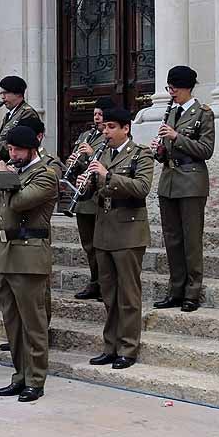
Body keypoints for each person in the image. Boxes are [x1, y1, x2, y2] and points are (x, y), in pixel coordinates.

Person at [0, 125, 60, 402]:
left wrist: (4, 177)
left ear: (31, 149)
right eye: (11, 150)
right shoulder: (14, 174)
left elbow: (20, 203)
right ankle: (20, 375)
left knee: (33, 322)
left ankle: (36, 379)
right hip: (7, 253)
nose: (12, 154)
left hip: (30, 255)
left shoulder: (45, 175)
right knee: (12, 322)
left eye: (17, 150)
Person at [76, 107, 154, 369]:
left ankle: (128, 348)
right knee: (109, 293)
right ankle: (110, 346)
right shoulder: (102, 154)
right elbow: (96, 194)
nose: (105, 131)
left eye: (111, 127)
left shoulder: (140, 154)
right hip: (104, 230)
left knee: (128, 294)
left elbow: (142, 188)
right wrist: (84, 186)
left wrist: (108, 175)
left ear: (125, 129)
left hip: (129, 231)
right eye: (104, 127)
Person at [151, 66, 215, 313]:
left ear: (187, 87)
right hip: (169, 180)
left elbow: (206, 150)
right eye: (169, 88)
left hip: (191, 181)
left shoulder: (203, 113)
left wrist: (177, 137)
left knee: (191, 240)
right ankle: (175, 290)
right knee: (172, 239)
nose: (171, 93)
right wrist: (159, 150)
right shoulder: (172, 112)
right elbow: (167, 150)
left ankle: (192, 292)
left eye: (174, 88)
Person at [65, 97, 115, 301]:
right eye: (95, 114)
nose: (96, 117)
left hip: (99, 195)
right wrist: (73, 162)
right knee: (88, 245)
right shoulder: (86, 135)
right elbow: (80, 164)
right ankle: (95, 282)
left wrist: (90, 154)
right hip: (83, 197)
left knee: (101, 245)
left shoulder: (110, 136)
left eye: (100, 114)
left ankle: (106, 284)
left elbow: (107, 164)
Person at [0, 75, 40, 162]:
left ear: (18, 94)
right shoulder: (10, 114)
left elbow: (22, 143)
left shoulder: (27, 113)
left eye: (5, 93)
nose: (2, 97)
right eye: (1, 93)